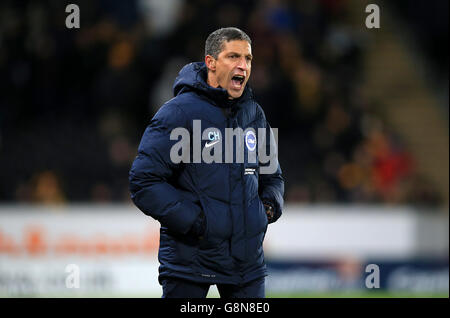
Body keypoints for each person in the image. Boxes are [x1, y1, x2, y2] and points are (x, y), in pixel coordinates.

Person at [129, 27, 284, 298]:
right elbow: (144, 180)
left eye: (247, 59)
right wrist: (197, 222)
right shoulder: (178, 113)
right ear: (210, 62)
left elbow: (272, 176)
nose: (243, 65)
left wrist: (267, 209)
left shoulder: (254, 114)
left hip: (245, 264)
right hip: (190, 261)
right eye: (233, 56)